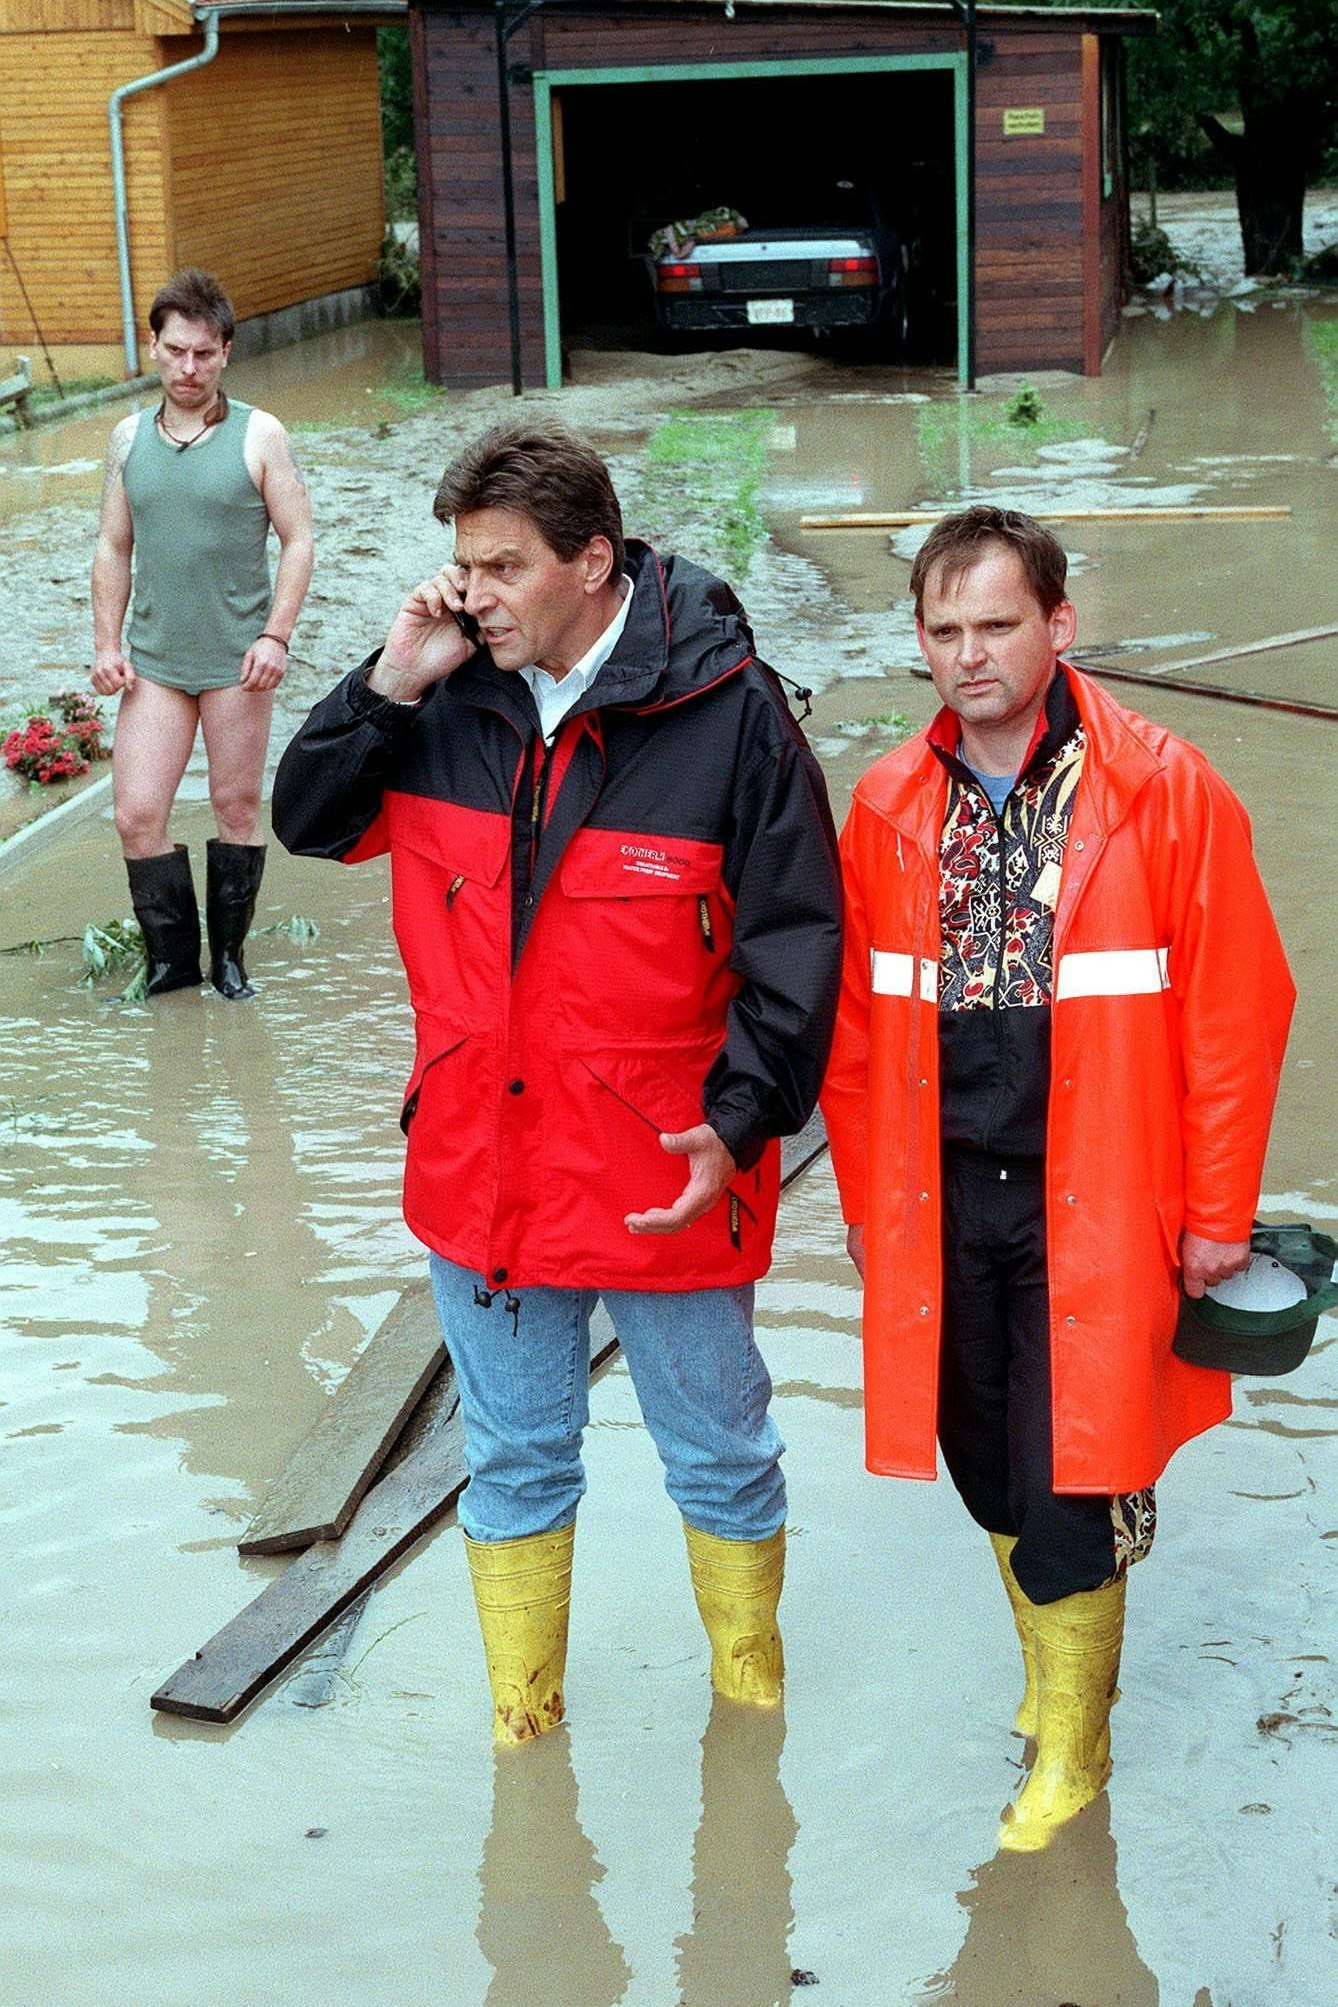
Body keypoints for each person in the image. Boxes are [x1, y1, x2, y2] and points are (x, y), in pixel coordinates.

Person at [272, 419, 842, 1744]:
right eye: (461, 565)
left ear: (595, 560)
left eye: (503, 566)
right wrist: (388, 679)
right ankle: (522, 1739)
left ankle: (746, 1718)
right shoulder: (443, 698)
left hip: (668, 1173)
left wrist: (742, 1117)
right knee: (514, 1460)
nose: (474, 592)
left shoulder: (728, 713)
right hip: (486, 1171)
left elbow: (802, 942)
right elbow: (304, 819)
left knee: (717, 1458)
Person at [821, 505, 1294, 1851]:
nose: (968, 654)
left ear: (1058, 624)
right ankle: (1049, 1682)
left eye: (996, 623)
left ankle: (1071, 1762)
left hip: (1103, 1198)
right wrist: (867, 1207)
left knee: (1068, 1475)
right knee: (983, 1462)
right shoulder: (886, 803)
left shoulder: (1163, 787)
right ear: (918, 641)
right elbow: (858, 1037)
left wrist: (1212, 1216)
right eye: (943, 629)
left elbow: (1235, 1013)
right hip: (945, 1195)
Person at [91, 267, 314, 1000]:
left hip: (236, 663)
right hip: (154, 664)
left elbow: (300, 540)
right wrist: (106, 645)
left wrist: (275, 637)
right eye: (176, 350)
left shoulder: (261, 434)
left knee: (237, 806)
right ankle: (172, 964)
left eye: (205, 354)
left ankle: (229, 961)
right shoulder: (127, 439)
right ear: (154, 346)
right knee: (136, 814)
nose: (189, 368)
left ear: (225, 353)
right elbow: (112, 547)